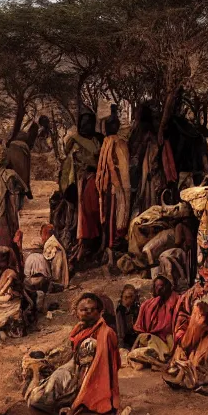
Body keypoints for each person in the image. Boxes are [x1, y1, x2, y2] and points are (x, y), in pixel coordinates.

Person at [22, 293, 126, 415]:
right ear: (77, 312)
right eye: (83, 310)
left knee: (38, 399)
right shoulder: (81, 329)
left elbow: (95, 370)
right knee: (37, 398)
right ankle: (37, 375)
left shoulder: (105, 333)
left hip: (86, 379)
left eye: (91, 309)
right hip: (73, 368)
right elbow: (71, 354)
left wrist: (75, 405)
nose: (87, 312)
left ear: (100, 311)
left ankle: (41, 378)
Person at [61, 113, 103, 265]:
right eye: (84, 123)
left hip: (93, 181)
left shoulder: (97, 139)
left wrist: (76, 138)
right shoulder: (75, 140)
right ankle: (77, 246)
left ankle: (90, 246)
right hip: (77, 182)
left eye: (89, 123)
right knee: (74, 215)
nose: (87, 126)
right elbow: (66, 153)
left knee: (90, 214)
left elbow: (95, 154)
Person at [127, 276, 179, 369]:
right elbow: (140, 328)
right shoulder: (149, 304)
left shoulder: (176, 301)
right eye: (156, 286)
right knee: (148, 341)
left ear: (167, 286)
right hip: (153, 338)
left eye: (161, 286)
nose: (158, 288)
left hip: (170, 338)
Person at [95, 115, 130, 254]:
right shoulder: (108, 141)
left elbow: (123, 167)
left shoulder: (120, 142)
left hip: (116, 186)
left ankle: (113, 243)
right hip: (107, 185)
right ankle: (108, 243)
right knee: (108, 213)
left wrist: (120, 185)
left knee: (115, 214)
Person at [0, 157, 29, 250]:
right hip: (3, 210)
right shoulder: (4, 175)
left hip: (6, 209)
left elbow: (13, 194)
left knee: (9, 236)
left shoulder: (8, 175)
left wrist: (14, 215)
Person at [40, 224, 71, 289]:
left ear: (46, 234)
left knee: (57, 273)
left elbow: (48, 256)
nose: (42, 238)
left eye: (42, 235)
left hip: (58, 260)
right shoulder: (54, 239)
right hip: (58, 258)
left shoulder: (51, 242)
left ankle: (58, 286)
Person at [114, 285, 141, 350]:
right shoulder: (120, 310)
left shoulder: (136, 308)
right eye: (125, 297)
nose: (126, 299)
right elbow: (121, 332)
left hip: (135, 336)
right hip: (125, 340)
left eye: (130, 297)